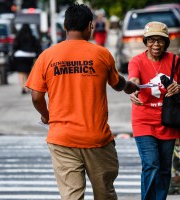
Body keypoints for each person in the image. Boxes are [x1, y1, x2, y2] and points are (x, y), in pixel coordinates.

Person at [25, 4, 138, 200]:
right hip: (97, 139)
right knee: (105, 194)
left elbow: (36, 97)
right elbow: (118, 83)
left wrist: (47, 116)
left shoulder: (47, 57)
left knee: (72, 196)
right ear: (90, 26)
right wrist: (130, 86)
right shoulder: (101, 55)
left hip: (62, 139)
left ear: (65, 26)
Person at [128, 21, 180, 200]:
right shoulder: (136, 61)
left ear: (166, 42)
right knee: (151, 164)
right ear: (145, 41)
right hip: (144, 121)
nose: (156, 44)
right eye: (152, 40)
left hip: (168, 120)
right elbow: (133, 79)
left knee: (163, 168)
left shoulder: (174, 60)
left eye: (160, 40)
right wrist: (133, 90)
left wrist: (179, 88)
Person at [13, 24, 42, 94]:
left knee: (20, 72)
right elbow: (37, 47)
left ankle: (22, 87)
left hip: (19, 56)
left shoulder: (18, 37)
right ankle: (28, 87)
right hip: (30, 56)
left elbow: (15, 46)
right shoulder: (32, 37)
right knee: (28, 71)